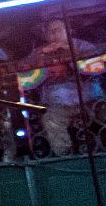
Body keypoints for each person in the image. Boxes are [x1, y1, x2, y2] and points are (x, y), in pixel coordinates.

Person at [21, 16, 96, 157]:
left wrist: (70, 52)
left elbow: (94, 66)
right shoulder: (39, 51)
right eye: (49, 32)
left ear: (68, 30)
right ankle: (65, 155)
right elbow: (25, 72)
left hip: (87, 100)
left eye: (57, 30)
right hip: (56, 104)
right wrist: (41, 56)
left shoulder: (83, 46)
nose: (53, 34)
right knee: (49, 119)